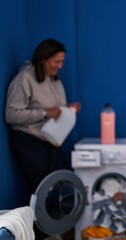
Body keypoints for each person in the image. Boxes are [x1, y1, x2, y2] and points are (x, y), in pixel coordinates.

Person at [5, 38, 81, 198]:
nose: (60, 66)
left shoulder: (55, 80)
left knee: (64, 181)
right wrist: (44, 113)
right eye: (56, 62)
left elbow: (55, 110)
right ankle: (37, 223)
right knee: (41, 189)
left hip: (49, 139)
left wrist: (68, 109)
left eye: (62, 62)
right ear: (43, 59)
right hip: (28, 139)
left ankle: (61, 222)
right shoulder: (24, 79)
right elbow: (11, 114)